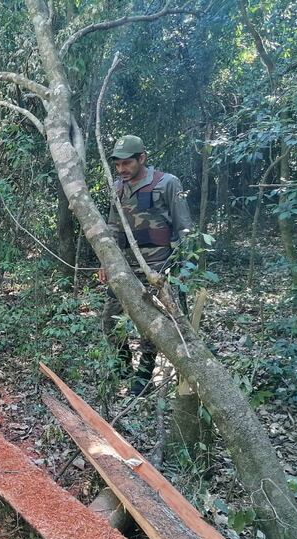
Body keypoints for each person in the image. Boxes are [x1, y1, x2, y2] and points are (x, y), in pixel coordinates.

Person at [99, 135, 193, 395]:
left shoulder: (167, 183)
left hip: (157, 268)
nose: (122, 170)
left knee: (149, 325)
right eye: (117, 165)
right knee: (109, 319)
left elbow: (185, 229)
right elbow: (113, 228)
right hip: (125, 267)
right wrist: (107, 261)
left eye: (127, 163)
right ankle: (123, 369)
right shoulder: (117, 188)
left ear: (142, 158)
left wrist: (183, 270)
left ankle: (143, 377)